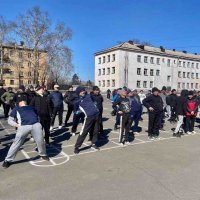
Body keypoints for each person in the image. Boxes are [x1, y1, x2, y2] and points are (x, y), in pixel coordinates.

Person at [2, 100, 49, 168]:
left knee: (40, 140)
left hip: (35, 125)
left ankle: (43, 154)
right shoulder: (16, 108)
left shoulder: (32, 107)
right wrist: (17, 125)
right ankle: (8, 160)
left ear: (22, 103)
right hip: (23, 126)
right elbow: (10, 120)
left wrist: (38, 123)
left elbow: (38, 116)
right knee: (16, 143)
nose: (19, 103)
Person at [74, 86, 100, 154]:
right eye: (81, 91)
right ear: (78, 93)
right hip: (88, 117)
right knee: (83, 132)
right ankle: (77, 147)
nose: (83, 91)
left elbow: (94, 101)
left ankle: (93, 143)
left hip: (96, 115)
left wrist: (95, 107)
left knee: (95, 130)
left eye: (83, 90)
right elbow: (75, 111)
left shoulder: (88, 96)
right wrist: (79, 111)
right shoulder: (77, 101)